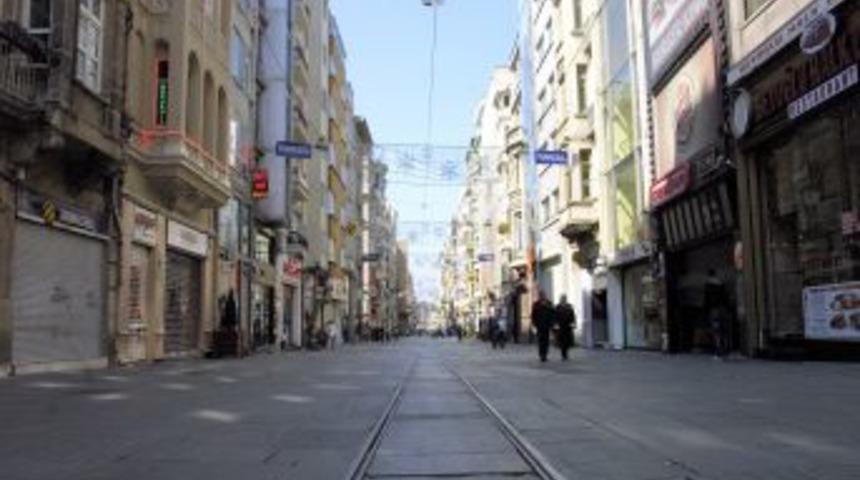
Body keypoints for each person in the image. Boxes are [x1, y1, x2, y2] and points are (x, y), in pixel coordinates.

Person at [704, 269, 729, 359]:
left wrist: (705, 309)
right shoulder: (721, 284)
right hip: (723, 309)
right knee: (724, 330)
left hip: (713, 310)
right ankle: (725, 349)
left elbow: (706, 300)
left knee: (716, 331)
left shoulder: (708, 286)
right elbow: (726, 297)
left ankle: (718, 350)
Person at [531, 290, 554, 362]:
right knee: (541, 341)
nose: (542, 296)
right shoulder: (536, 304)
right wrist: (534, 324)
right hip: (539, 326)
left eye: (543, 295)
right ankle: (542, 354)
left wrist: (552, 324)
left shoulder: (549, 303)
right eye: (541, 295)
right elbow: (533, 315)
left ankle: (545, 354)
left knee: (546, 341)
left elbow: (552, 314)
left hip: (547, 326)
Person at [555, 295, 575, 361]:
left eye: (564, 298)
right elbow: (555, 316)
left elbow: (572, 315)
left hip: (568, 326)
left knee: (567, 340)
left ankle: (566, 352)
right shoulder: (557, 307)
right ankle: (563, 354)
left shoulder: (569, 306)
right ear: (560, 299)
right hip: (561, 326)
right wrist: (555, 324)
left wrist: (573, 323)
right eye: (562, 298)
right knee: (562, 341)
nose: (563, 299)